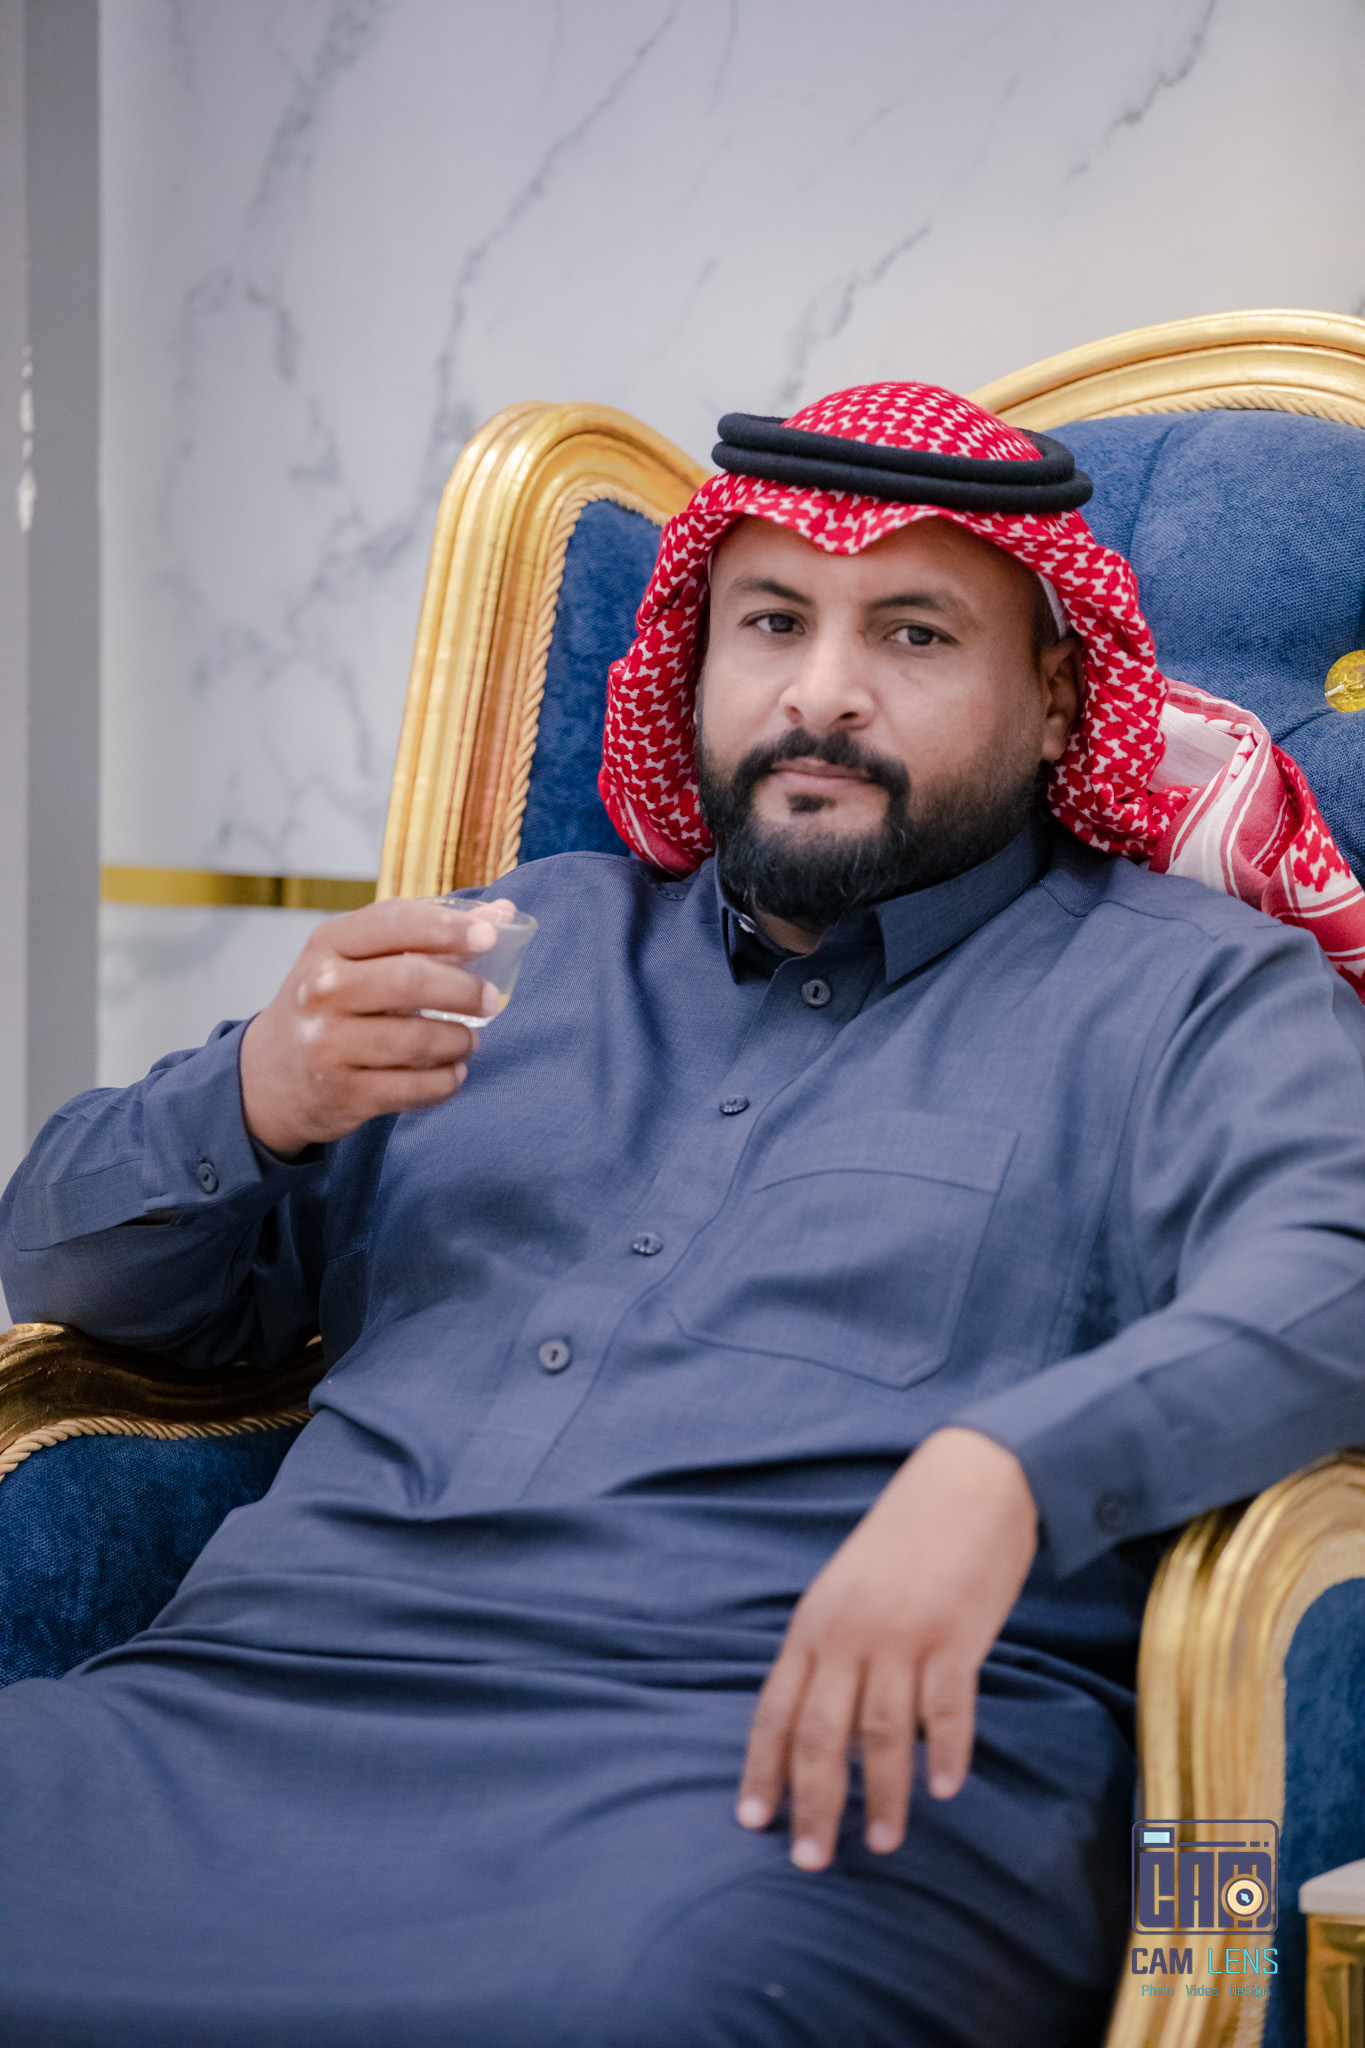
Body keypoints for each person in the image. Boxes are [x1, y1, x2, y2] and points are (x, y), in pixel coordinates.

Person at [2, 382, 1365, 2048]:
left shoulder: (1188, 994)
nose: (821, 692)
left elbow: (1335, 1284)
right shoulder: (513, 946)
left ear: (1056, 698)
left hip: (784, 1778)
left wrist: (1007, 1473)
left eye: (914, 635)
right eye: (771, 622)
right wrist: (254, 1098)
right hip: (245, 1709)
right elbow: (56, 1259)